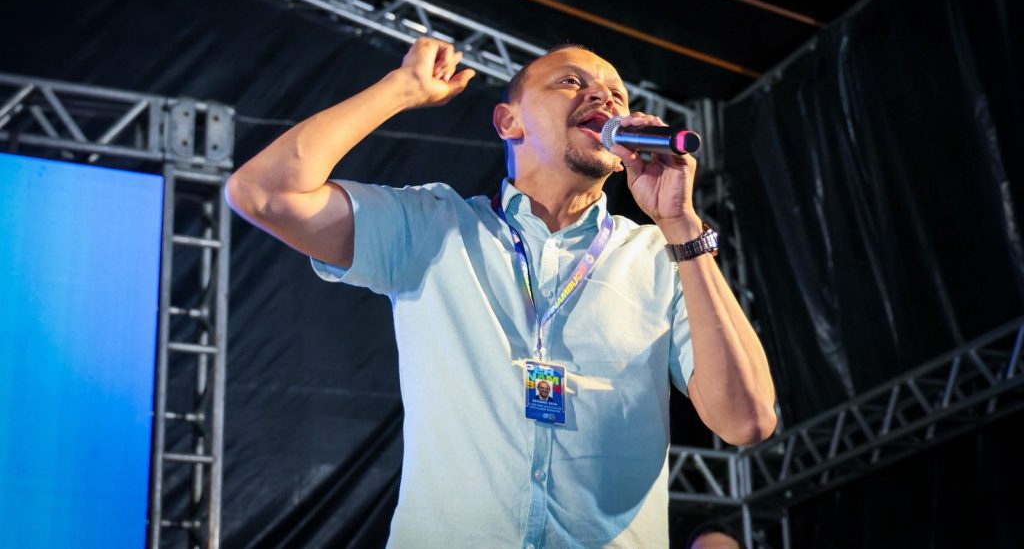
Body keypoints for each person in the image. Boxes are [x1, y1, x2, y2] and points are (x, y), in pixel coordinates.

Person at [226, 37, 776, 547]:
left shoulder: (662, 257)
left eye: (616, 93)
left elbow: (747, 421)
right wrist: (401, 89)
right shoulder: (432, 227)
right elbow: (261, 192)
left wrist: (680, 225)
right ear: (509, 121)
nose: (603, 97)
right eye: (571, 82)